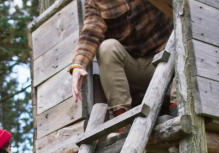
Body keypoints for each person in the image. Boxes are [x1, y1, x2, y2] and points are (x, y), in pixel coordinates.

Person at [69, 0, 174, 134]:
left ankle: (178, 110)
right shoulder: (95, 2)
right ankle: (122, 123)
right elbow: (91, 30)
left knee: (177, 42)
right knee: (107, 47)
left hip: (163, 63)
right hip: (130, 69)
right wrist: (78, 64)